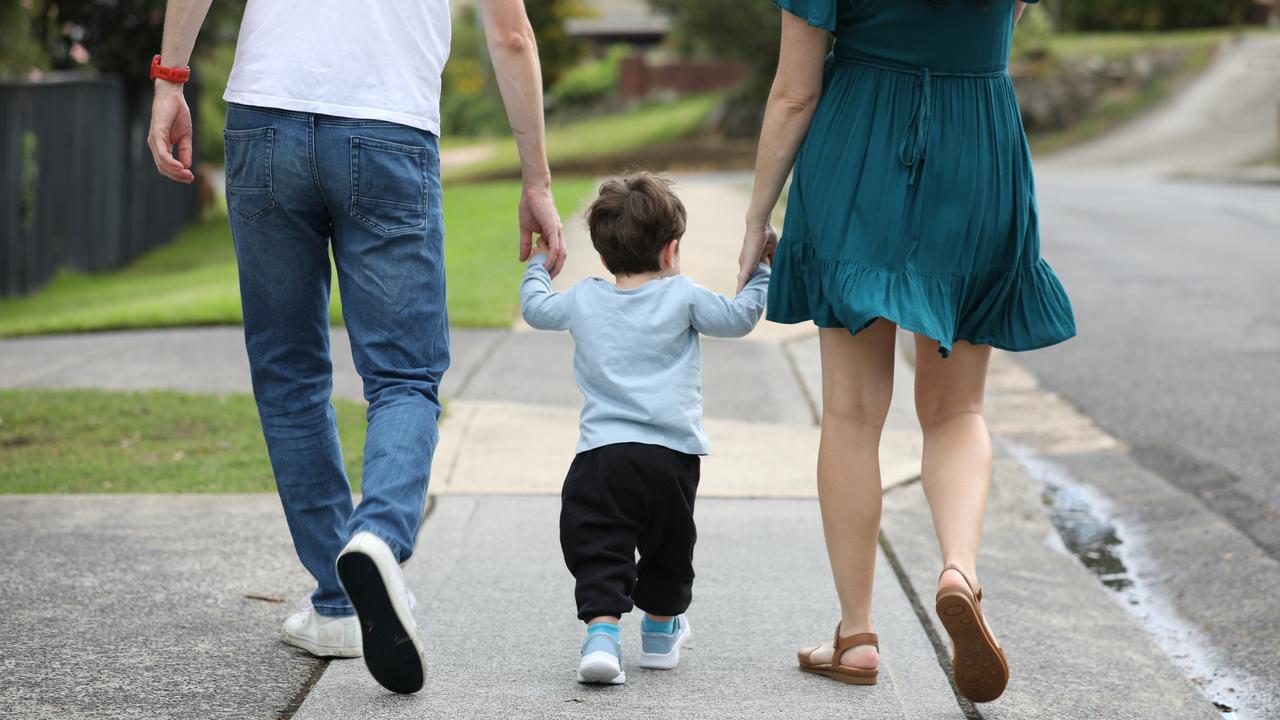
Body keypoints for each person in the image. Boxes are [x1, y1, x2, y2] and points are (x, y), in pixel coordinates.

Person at [146, 0, 566, 695]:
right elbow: (512, 33)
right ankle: (377, 540)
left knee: (288, 371)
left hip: (265, 114)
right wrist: (536, 180)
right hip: (387, 126)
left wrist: (170, 78)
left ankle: (338, 600)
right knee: (404, 376)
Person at [737, 0, 1075, 703]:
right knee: (957, 409)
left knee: (854, 415)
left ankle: (856, 636)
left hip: (858, 148)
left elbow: (796, 90)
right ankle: (959, 570)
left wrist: (757, 215)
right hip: (978, 148)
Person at [520, 172, 771, 685]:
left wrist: (538, 265)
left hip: (601, 456)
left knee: (599, 544)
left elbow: (536, 307)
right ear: (671, 250)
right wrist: (762, 269)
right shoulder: (684, 297)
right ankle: (659, 635)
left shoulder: (585, 298)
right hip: (670, 458)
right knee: (668, 546)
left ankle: (602, 639)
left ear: (604, 254)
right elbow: (741, 318)